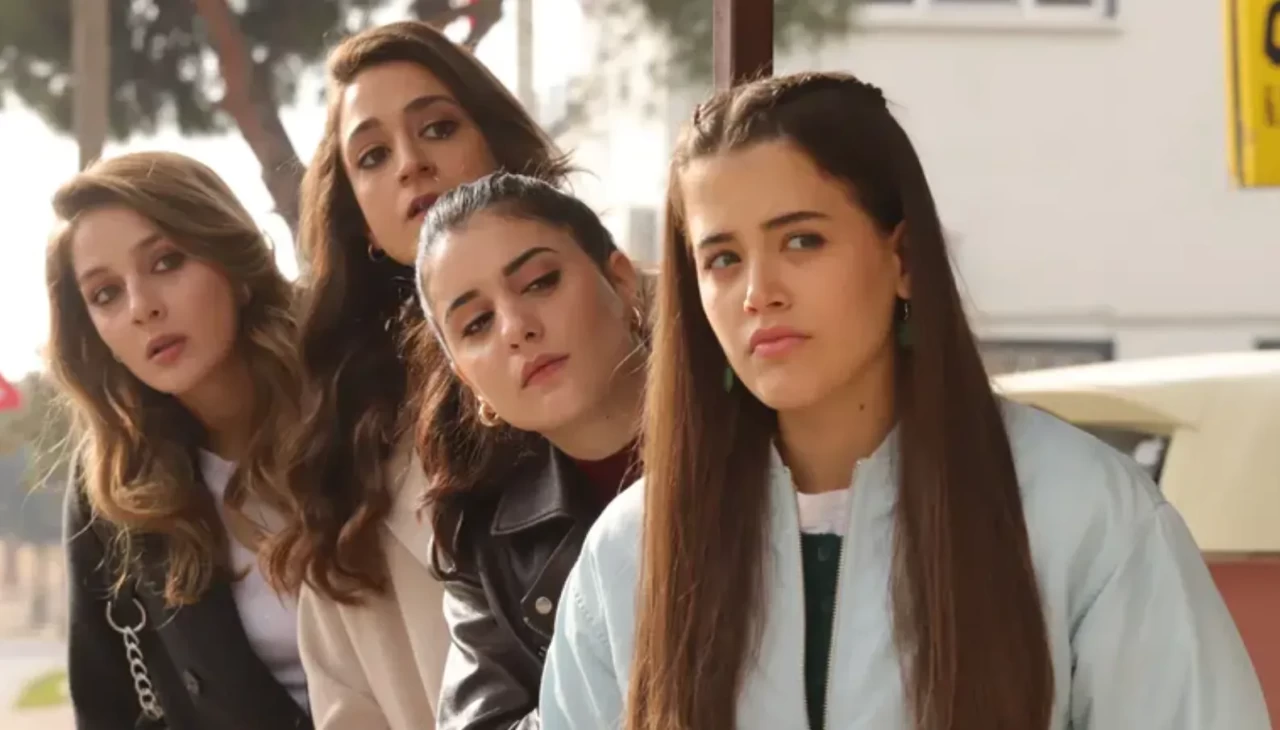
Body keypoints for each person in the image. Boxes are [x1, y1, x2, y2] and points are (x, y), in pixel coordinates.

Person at [539, 72, 1271, 730]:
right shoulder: (631, 555)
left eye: (801, 241)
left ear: (904, 258)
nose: (759, 292)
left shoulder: (1080, 514)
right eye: (723, 259)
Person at [259, 21, 569, 730]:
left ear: (497, 147)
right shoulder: (347, 449)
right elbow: (348, 705)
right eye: (373, 155)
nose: (411, 164)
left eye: (438, 128)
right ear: (363, 223)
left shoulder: (642, 326)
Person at [50, 151, 311, 730]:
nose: (142, 307)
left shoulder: (355, 401)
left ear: (234, 263)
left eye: (167, 261)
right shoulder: (114, 489)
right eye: (105, 294)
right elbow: (105, 706)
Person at [414, 173, 646, 730]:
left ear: (621, 282)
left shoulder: (764, 418)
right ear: (469, 383)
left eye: (540, 282)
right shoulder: (483, 543)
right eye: (477, 324)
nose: (516, 329)